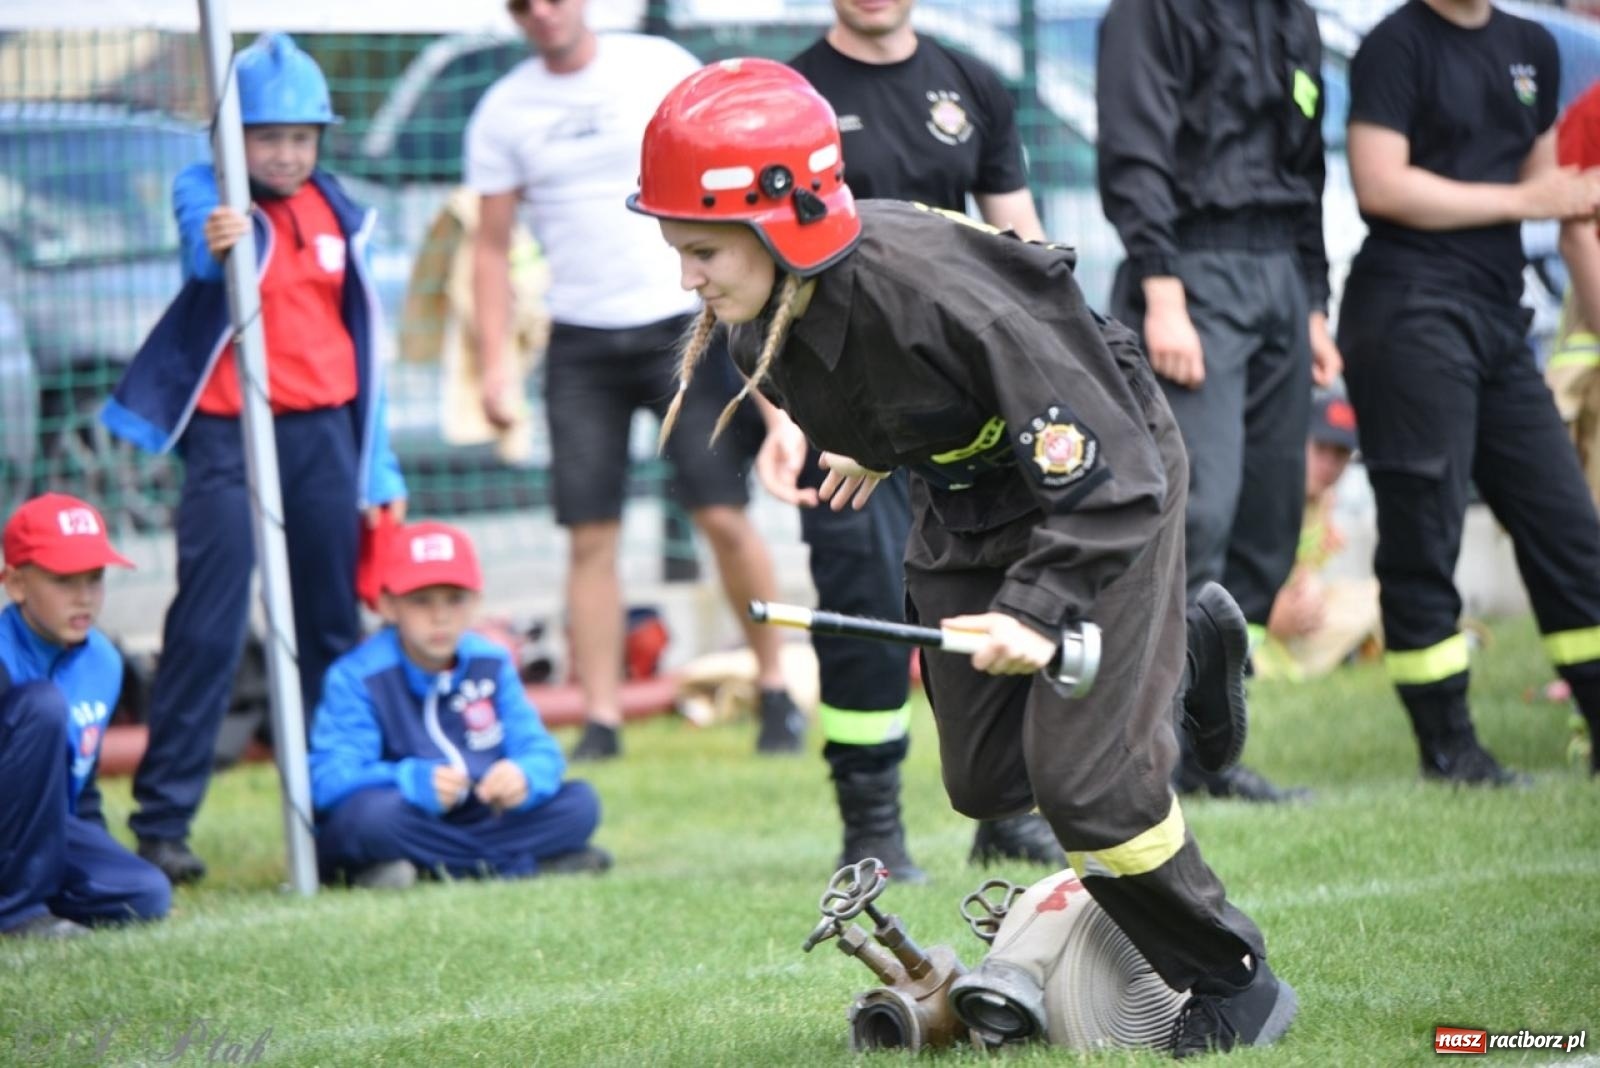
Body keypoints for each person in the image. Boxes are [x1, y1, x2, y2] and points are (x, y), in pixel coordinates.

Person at [630, 59, 1294, 1056]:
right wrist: (882, 441)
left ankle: (1232, 980)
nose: (687, 276)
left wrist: (1036, 607)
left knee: (1088, 789)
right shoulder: (755, 325)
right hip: (970, 502)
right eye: (676, 248)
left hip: (1097, 485)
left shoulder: (937, 295)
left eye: (701, 249)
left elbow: (1108, 471)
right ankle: (1179, 654)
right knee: (986, 785)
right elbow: (913, 391)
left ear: (779, 219)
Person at [101, 33, 409, 884]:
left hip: (323, 436)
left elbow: (370, 345)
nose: (284, 153)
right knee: (207, 619)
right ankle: (162, 826)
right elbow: (204, 254)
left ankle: (341, 828)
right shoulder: (205, 190)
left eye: (300, 136)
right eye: (265, 137)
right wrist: (223, 235)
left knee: (329, 630)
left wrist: (376, 471)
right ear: (230, 142)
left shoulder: (340, 207)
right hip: (230, 436)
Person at [761, 0, 1057, 880]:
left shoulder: (975, 83)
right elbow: (760, 265)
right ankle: (872, 830)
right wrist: (781, 415)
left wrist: (1051, 359)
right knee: (860, 604)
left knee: (994, 590)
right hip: (837, 395)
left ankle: (1007, 808)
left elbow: (1019, 243)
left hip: (965, 399)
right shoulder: (793, 94)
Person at [466, 0, 802, 762]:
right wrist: (494, 364)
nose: (542, 13)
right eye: (523, 4)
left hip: (682, 328)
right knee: (591, 536)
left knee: (722, 516)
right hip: (579, 343)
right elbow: (489, 247)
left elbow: (732, 179)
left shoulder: (655, 67)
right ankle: (603, 719)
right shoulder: (503, 109)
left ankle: (776, 685)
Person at [1340, 0, 1600, 784]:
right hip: (1409, 314)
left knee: (1569, 529)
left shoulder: (1530, 47)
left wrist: (1545, 196)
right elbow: (1379, 186)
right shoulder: (1395, 44)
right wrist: (1528, 202)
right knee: (1425, 535)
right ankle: (1448, 748)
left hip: (1497, 317)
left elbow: (1546, 177)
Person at [1096, 0, 1341, 803]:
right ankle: (1151, 756)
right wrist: (1163, 292)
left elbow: (1307, 169)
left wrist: (1312, 300)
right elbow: (1134, 157)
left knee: (1268, 521)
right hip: (1193, 272)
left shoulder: (1293, 15)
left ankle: (1213, 749)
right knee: (1195, 515)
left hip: (1279, 279)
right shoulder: (1152, 12)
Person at [310, 521, 609, 887]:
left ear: (476, 602)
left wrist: (526, 776)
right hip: (405, 814)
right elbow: (329, 780)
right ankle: (521, 864)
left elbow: (539, 749)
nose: (441, 616)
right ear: (388, 605)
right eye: (421, 601)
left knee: (580, 805)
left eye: (455, 599)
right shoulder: (357, 675)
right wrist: (409, 780)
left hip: (479, 814)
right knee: (369, 821)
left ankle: (428, 868)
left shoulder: (492, 662)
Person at [0, 494, 171, 937]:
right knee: (41, 705)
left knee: (145, 892)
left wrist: (95, 850)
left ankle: (33, 889)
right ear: (15, 583)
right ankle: (17, 914)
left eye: (94, 579)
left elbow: (81, 779)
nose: (84, 598)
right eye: (63, 580)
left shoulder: (104, 662)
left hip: (41, 833)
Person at [1248, 393, 1381, 685]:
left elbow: (1304, 567)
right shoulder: (1266, 489)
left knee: (1375, 596)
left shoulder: (1323, 502)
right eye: (1320, 448)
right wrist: (1268, 610)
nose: (1330, 464)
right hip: (1254, 618)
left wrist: (1311, 583)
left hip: (1297, 620)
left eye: (1341, 454)